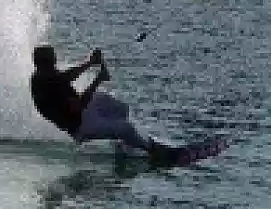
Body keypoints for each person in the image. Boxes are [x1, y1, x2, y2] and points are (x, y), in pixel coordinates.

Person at [30, 44, 173, 161]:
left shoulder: (46, 76)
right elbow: (79, 105)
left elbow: (68, 76)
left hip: (83, 113)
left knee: (119, 108)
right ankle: (153, 151)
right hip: (80, 126)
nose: (55, 62)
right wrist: (98, 79)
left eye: (54, 58)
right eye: (52, 60)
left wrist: (91, 62)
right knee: (126, 128)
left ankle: (126, 143)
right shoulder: (46, 83)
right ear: (44, 64)